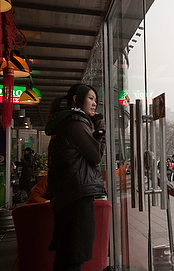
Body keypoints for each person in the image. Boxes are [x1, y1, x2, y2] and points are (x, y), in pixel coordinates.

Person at [45, 83, 107, 271]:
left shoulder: (64, 122)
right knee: (73, 257)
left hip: (68, 195)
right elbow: (96, 156)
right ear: (75, 99)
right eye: (90, 98)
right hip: (76, 197)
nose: (94, 104)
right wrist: (100, 126)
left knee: (66, 256)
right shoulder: (75, 122)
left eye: (96, 100)